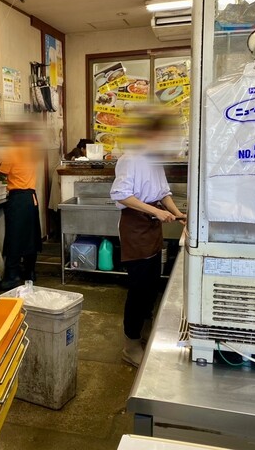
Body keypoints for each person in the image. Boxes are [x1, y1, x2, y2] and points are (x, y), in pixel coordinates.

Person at [109, 105, 186, 367]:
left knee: (152, 284)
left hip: (153, 228)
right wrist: (155, 211)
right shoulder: (130, 159)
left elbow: (163, 192)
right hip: (136, 227)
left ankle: (145, 333)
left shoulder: (154, 160)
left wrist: (178, 214)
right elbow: (121, 194)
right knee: (138, 289)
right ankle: (130, 345)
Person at [0, 120, 43, 291]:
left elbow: (1, 175)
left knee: (14, 238)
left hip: (18, 199)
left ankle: (12, 277)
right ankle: (30, 272)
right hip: (31, 198)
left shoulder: (12, 152)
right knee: (31, 236)